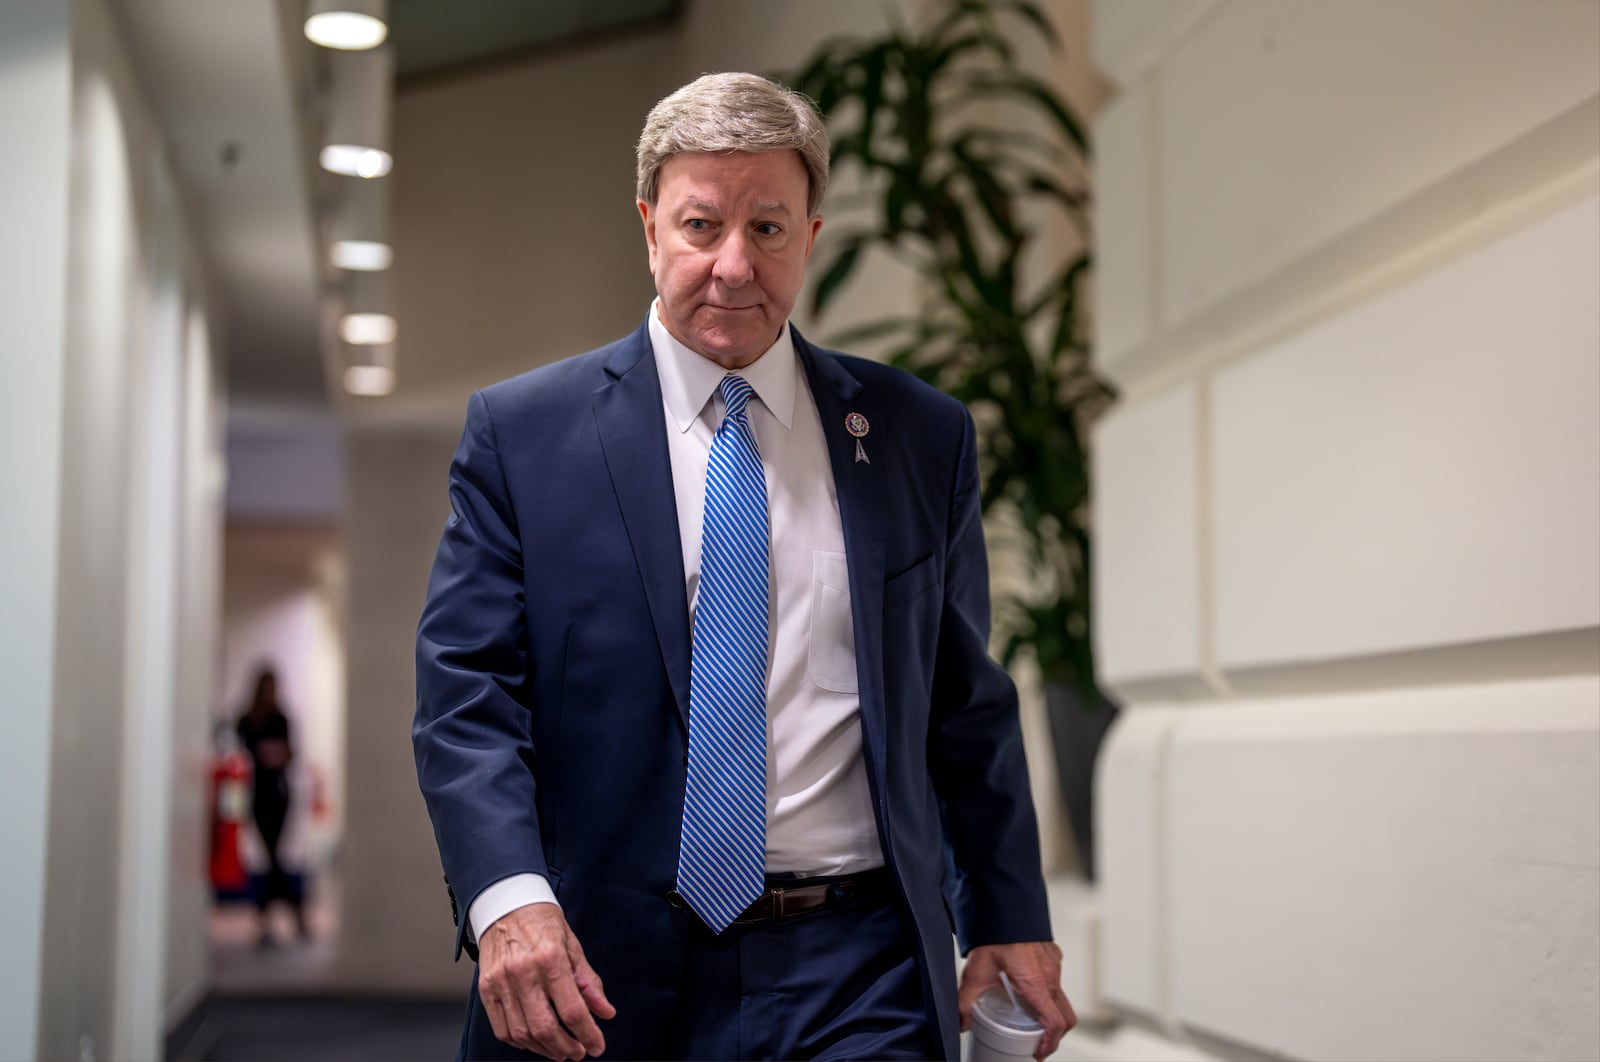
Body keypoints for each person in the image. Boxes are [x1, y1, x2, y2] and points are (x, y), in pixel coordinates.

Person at [414, 72, 1075, 1061]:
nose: (731, 266)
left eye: (766, 229)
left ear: (810, 236)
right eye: (698, 225)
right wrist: (507, 898)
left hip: (858, 966)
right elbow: (467, 698)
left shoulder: (910, 437)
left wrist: (1005, 910)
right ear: (648, 228)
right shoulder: (524, 437)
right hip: (598, 967)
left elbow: (962, 701)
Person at [235, 665, 309, 945]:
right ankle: (296, 910)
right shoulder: (246, 719)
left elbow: (291, 752)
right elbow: (242, 752)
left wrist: (277, 754)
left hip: (280, 793)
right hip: (258, 794)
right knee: (273, 857)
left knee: (273, 857)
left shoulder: (282, 718)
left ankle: (265, 919)